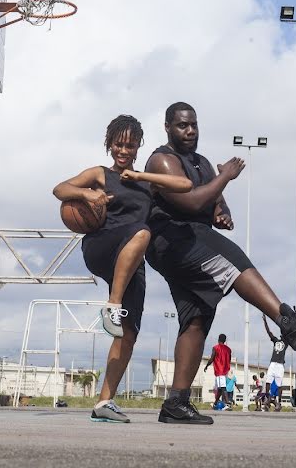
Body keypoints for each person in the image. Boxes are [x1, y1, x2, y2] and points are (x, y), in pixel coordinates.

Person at [144, 102, 296, 425]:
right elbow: (191, 201)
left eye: (194, 125)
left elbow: (213, 202)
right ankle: (288, 321)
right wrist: (225, 176)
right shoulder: (162, 160)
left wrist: (222, 213)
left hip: (192, 237)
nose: (190, 131)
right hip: (170, 239)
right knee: (234, 260)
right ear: (168, 127)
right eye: (183, 125)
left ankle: (176, 403)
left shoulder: (201, 163)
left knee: (197, 318)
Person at [53, 114, 192, 424]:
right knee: (143, 232)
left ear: (138, 146)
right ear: (109, 144)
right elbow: (59, 189)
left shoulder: (145, 184)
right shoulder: (100, 174)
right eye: (119, 144)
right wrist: (87, 193)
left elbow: (184, 184)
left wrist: (144, 177)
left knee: (128, 334)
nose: (124, 151)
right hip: (102, 246)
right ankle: (112, 304)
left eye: (130, 145)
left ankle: (104, 402)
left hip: (131, 262)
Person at [263, 314, 288, 411]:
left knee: (279, 385)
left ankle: (279, 402)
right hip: (273, 363)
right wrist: (265, 322)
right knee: (268, 381)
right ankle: (267, 399)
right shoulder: (276, 341)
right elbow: (269, 332)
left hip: (280, 365)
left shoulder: (286, 343)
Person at [203, 334, 231, 409]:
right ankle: (215, 403)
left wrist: (206, 366)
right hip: (226, 370)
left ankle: (228, 404)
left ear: (218, 339)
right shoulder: (229, 349)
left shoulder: (215, 348)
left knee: (223, 387)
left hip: (219, 370)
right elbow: (229, 360)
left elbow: (212, 358)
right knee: (219, 388)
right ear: (225, 340)